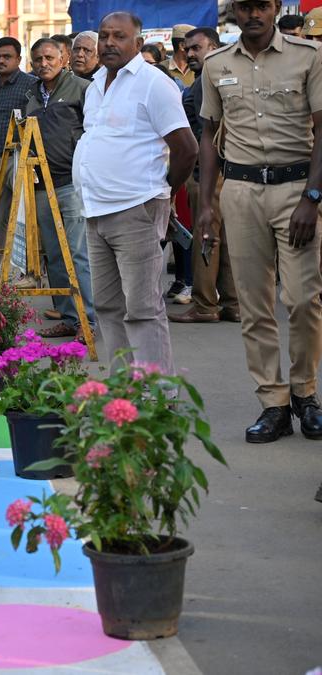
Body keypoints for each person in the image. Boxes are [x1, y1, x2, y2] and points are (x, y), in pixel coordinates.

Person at [197, 0, 322, 444]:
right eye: (246, 7)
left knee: (305, 298)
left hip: (295, 189)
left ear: (273, 10)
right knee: (254, 305)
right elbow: (209, 135)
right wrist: (207, 206)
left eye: (263, 6)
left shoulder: (308, 57)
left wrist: (312, 195)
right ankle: (274, 402)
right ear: (234, 13)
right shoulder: (215, 64)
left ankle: (305, 393)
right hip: (241, 190)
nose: (254, 14)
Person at [72, 11, 197, 374]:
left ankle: (155, 396)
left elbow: (186, 149)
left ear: (137, 44)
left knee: (142, 309)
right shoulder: (96, 84)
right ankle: (123, 390)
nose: (109, 42)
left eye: (119, 36)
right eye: (104, 35)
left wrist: (162, 192)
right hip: (96, 211)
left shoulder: (153, 83)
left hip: (136, 210)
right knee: (109, 307)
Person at [25, 39, 97, 342]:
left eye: (50, 57)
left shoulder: (82, 89)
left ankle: (87, 320)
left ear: (64, 58)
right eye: (38, 59)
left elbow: (96, 133)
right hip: (42, 185)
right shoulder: (31, 94)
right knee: (54, 255)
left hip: (72, 183)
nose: (44, 63)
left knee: (77, 254)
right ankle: (68, 317)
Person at [169, 26, 239, 325]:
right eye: (188, 49)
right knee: (224, 239)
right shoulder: (212, 79)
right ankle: (233, 303)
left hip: (208, 173)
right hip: (227, 172)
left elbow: (204, 134)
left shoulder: (206, 83)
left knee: (205, 238)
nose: (190, 54)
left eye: (197, 48)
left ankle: (205, 304)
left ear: (214, 46)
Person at [0, 36, 38, 281]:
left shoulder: (32, 84)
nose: (1, 61)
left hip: (20, 157)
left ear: (18, 59)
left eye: (7, 56)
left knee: (24, 216)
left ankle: (27, 272)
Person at [166, 25, 196, 89]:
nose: (196, 51)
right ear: (182, 46)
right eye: (194, 46)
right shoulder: (161, 69)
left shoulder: (201, 69)